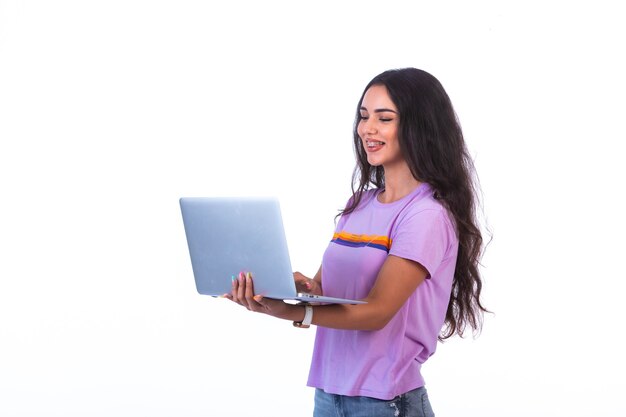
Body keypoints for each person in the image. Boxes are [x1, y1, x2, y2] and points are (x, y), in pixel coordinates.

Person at [225, 67, 488, 417]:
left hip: (385, 402)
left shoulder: (426, 215)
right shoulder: (359, 205)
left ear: (419, 126)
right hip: (329, 396)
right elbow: (324, 291)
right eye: (364, 117)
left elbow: (376, 312)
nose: (368, 129)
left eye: (384, 118)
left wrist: (291, 310)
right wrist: (287, 289)